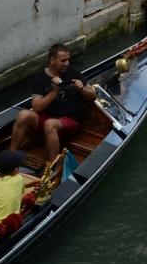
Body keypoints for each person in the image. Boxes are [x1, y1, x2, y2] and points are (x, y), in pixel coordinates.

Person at [15, 42, 97, 174]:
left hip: (70, 120)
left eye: (68, 59)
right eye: (63, 61)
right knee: (23, 115)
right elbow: (36, 107)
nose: (67, 63)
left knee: (49, 124)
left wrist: (81, 89)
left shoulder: (73, 72)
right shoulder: (40, 78)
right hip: (47, 118)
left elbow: (92, 95)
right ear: (52, 60)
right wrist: (54, 92)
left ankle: (51, 169)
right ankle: (10, 158)